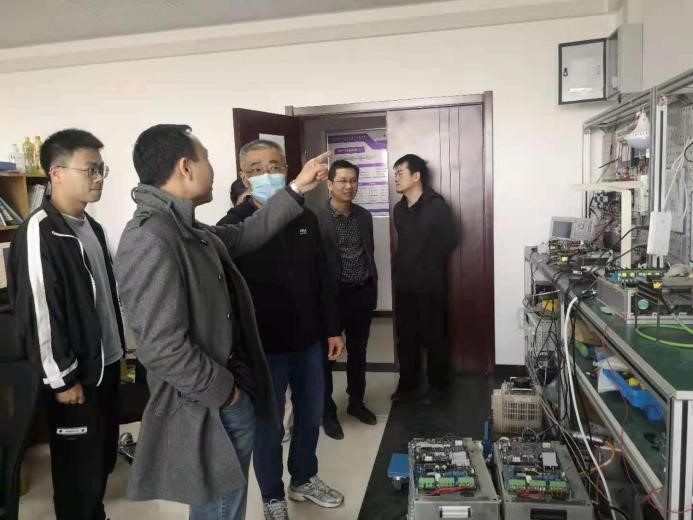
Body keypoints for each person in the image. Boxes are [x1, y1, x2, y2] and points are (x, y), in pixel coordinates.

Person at [114, 125, 330, 520]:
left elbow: (247, 234)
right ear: (186, 167)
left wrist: (297, 187)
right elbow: (161, 347)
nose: (212, 169)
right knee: (219, 508)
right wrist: (226, 394)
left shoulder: (187, 229)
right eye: (207, 159)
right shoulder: (151, 237)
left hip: (225, 393)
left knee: (225, 505)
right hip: (210, 403)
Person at [218, 139, 345, 520]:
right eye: (256, 169)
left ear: (288, 169)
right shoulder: (232, 227)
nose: (267, 174)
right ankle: (272, 495)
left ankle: (303, 478)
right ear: (244, 178)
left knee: (310, 415)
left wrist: (332, 329)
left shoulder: (305, 217)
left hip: (308, 341)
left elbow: (323, 278)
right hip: (262, 348)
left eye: (274, 166)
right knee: (269, 426)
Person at [7, 129, 124, 520]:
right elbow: (39, 310)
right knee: (77, 475)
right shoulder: (40, 231)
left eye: (102, 169)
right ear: (56, 172)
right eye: (90, 169)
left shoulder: (92, 228)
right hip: (75, 377)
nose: (99, 177)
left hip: (105, 364)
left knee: (99, 461)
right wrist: (61, 378)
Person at [317, 159, 378, 440]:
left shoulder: (364, 216)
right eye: (342, 180)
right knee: (327, 357)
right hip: (332, 297)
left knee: (358, 351)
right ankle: (327, 412)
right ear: (329, 184)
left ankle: (356, 402)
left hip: (361, 293)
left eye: (353, 180)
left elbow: (368, 253)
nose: (348, 186)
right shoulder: (316, 219)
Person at [390, 154, 458, 403]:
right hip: (404, 284)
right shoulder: (399, 209)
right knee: (406, 337)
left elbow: (450, 241)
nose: (396, 178)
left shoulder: (437, 206)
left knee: (434, 336)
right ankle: (407, 384)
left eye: (400, 173)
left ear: (416, 176)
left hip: (430, 285)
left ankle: (438, 386)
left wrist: (427, 262)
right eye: (395, 174)